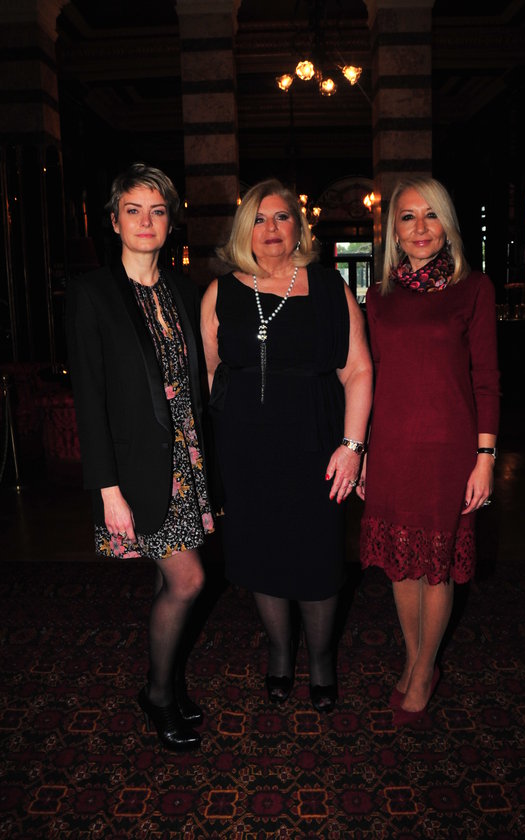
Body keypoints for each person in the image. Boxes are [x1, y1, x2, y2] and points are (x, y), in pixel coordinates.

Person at [201, 179, 372, 712]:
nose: (270, 228)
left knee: (318, 556)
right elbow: (209, 374)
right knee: (261, 553)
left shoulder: (329, 287)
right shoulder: (219, 292)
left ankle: (320, 659)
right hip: (246, 453)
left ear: (299, 227)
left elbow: (359, 370)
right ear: (242, 230)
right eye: (258, 218)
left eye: (281, 217)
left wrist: (353, 446)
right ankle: (279, 652)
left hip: (317, 446)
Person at [66, 163, 215, 751]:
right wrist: (107, 490)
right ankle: (157, 693)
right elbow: (89, 399)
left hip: (186, 464)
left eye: (157, 211)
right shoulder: (92, 294)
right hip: (133, 472)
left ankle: (167, 682)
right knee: (189, 579)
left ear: (171, 222)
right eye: (133, 210)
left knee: (168, 579)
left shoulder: (184, 290)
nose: (146, 221)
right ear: (114, 221)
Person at [357, 176, 500, 725]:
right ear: (393, 230)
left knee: (434, 566)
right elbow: (370, 377)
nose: (420, 228)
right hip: (392, 447)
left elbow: (486, 379)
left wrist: (485, 459)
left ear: (447, 224)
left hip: (448, 450)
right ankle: (418, 660)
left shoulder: (474, 289)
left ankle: (421, 671)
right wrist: (363, 450)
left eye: (431, 215)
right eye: (408, 216)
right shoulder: (378, 297)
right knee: (401, 564)